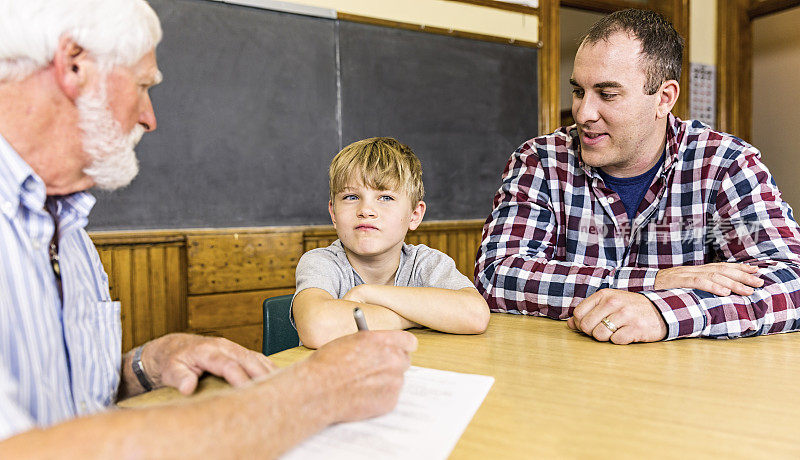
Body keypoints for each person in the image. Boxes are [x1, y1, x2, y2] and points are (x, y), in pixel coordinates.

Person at [0, 0, 417, 457]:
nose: (149, 117)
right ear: (73, 64)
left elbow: (59, 398)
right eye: (142, 86)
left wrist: (145, 365)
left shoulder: (69, 228)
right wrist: (312, 393)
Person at [474, 8, 800, 344]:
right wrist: (658, 281)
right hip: (563, 375)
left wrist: (662, 312)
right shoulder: (540, 161)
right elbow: (497, 276)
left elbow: (792, 279)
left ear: (664, 98)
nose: (584, 113)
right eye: (579, 91)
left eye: (608, 94)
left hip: (685, 384)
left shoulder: (725, 163)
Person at [292, 137, 490, 349]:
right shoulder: (321, 262)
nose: (365, 210)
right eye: (351, 197)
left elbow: (475, 315)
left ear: (414, 215)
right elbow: (317, 327)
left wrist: (367, 293)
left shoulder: (425, 262)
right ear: (333, 213)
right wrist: (417, 318)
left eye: (385, 198)